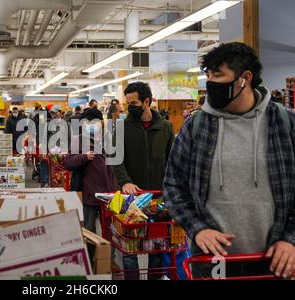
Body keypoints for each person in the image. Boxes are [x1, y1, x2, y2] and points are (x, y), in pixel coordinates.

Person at [164, 42, 295, 279]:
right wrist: (198, 229)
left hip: (275, 260)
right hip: (212, 260)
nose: (210, 83)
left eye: (218, 75)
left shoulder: (286, 125)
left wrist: (291, 239)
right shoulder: (196, 126)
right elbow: (173, 186)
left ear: (245, 78)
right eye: (208, 75)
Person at [112, 81, 175, 279]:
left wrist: (171, 187)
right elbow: (116, 159)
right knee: (130, 250)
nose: (130, 107)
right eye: (128, 103)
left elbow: (172, 160)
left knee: (156, 248)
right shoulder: (122, 127)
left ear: (147, 101)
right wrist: (125, 182)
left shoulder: (165, 127)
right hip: (130, 199)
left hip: (158, 198)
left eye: (134, 103)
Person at [63, 108, 117, 233]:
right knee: (89, 230)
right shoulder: (79, 140)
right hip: (89, 194)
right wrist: (84, 157)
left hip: (108, 194)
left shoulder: (109, 139)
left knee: (111, 231)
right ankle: (91, 252)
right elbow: (68, 162)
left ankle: (109, 253)